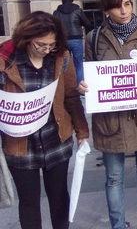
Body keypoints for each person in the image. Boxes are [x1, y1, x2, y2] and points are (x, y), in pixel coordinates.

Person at [77, 0, 137, 229]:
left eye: (127, 4)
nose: (124, 11)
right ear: (107, 11)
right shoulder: (94, 38)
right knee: (113, 178)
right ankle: (118, 225)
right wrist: (84, 86)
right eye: (117, 6)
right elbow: (90, 72)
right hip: (111, 122)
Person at [0, 11, 89, 229]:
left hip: (56, 139)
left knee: (59, 198)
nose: (47, 49)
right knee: (29, 202)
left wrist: (82, 132)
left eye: (52, 44)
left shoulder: (61, 57)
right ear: (27, 37)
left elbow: (70, 96)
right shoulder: (6, 61)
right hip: (21, 145)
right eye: (41, 44)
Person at [53, 0, 92, 81]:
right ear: (72, 1)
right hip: (76, 39)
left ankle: (65, 85)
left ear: (62, 2)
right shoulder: (78, 11)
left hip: (62, 40)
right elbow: (87, 23)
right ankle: (80, 85)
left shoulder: (56, 12)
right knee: (79, 64)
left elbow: (53, 27)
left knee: (63, 64)